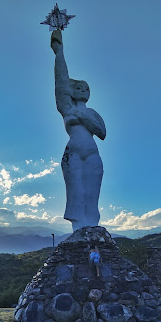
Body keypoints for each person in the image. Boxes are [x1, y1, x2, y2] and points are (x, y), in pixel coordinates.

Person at [50, 29, 106, 232]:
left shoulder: (92, 112)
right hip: (73, 152)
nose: (83, 91)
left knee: (92, 194)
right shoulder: (67, 108)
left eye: (87, 88)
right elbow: (61, 83)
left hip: (92, 153)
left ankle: (92, 228)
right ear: (73, 92)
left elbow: (102, 132)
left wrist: (84, 118)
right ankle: (79, 230)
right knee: (76, 192)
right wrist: (59, 52)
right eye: (79, 88)